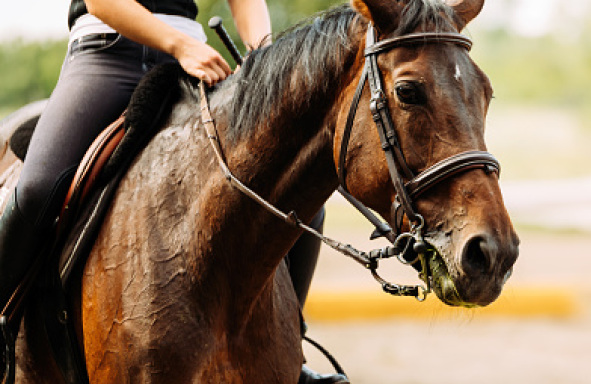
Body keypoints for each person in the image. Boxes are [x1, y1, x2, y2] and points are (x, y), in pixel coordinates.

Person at [0, 0, 348, 383]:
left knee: (297, 197)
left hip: (194, 62)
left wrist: (262, 55)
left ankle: (290, 354)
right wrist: (179, 45)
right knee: (37, 189)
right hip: (107, 55)